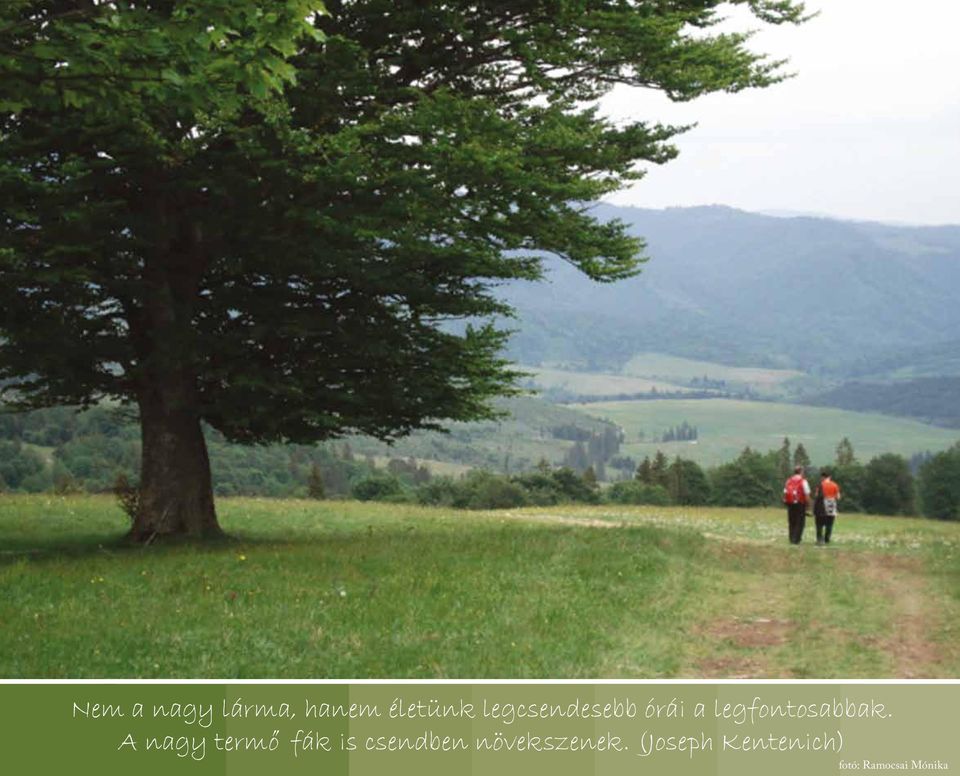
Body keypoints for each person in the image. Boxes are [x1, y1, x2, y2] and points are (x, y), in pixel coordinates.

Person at [782, 465, 810, 544]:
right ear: (801, 472)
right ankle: (796, 539)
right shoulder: (803, 481)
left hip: (790, 503)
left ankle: (791, 538)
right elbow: (807, 494)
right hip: (800, 503)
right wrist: (808, 505)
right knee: (800, 522)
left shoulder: (788, 480)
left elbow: (785, 492)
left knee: (792, 521)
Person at [813, 469, 841, 545]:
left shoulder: (820, 485)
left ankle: (819, 539)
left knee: (819, 524)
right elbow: (838, 497)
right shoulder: (835, 485)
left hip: (822, 505)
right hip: (831, 505)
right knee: (830, 523)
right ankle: (827, 539)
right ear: (830, 477)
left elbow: (816, 495)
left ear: (822, 477)